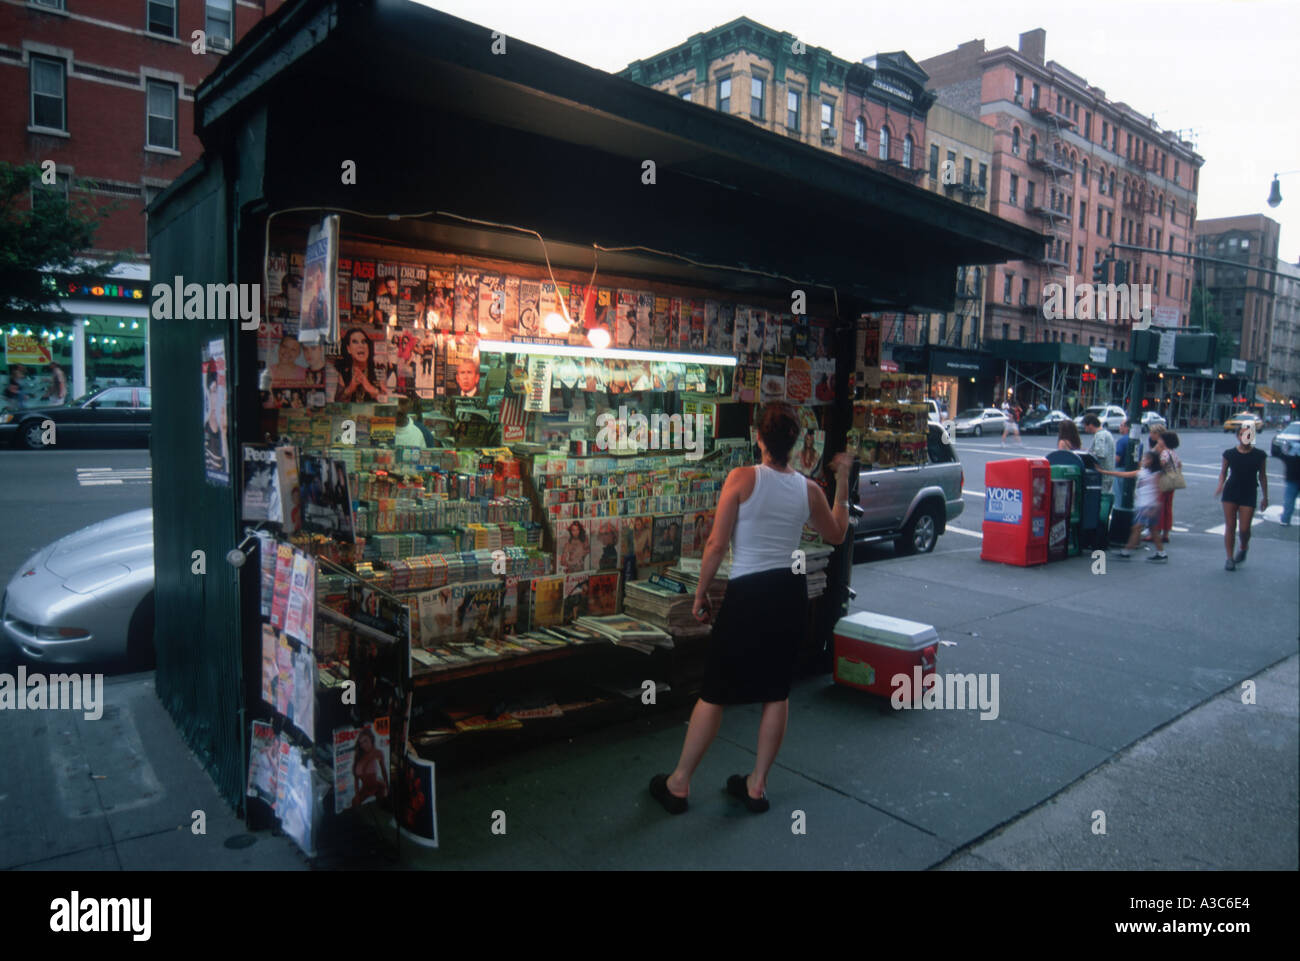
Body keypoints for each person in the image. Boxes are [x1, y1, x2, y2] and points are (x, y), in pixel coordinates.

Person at [649, 402, 851, 815]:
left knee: (714, 691)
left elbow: (716, 544)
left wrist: (700, 593)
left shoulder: (741, 479)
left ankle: (680, 784)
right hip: (788, 593)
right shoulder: (809, 489)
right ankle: (757, 787)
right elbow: (835, 533)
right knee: (777, 691)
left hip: (748, 591)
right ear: (795, 443)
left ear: (758, 438)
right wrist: (843, 481)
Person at [1215, 424, 1268, 570]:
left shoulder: (1260, 455)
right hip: (1231, 491)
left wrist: (1265, 497)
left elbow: (1263, 476)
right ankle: (1229, 558)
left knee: (1244, 529)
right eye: (1242, 435)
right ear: (1238, 436)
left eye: (1249, 435)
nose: (1246, 438)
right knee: (1230, 526)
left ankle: (1244, 546)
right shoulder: (1229, 454)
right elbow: (1223, 472)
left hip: (1249, 491)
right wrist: (1220, 484)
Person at [1098, 451, 1167, 562]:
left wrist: (1155, 506)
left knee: (1136, 529)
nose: (1143, 460)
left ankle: (1126, 551)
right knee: (1152, 530)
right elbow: (1125, 474)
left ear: (1152, 461)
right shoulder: (1143, 472)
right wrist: (1104, 471)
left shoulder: (1155, 474)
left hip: (1147, 505)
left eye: (1146, 459)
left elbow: (1158, 490)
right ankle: (1161, 553)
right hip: (1146, 505)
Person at [335, 326, 383, 402]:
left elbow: (389, 398)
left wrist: (371, 389)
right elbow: (335, 402)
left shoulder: (378, 370)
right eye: (355, 342)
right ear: (348, 349)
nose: (361, 346)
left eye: (364, 342)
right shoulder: (343, 373)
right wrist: (349, 389)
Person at [1155, 430, 1181, 542]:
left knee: (1158, 507)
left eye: (1160, 439)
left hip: (1163, 482)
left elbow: (1162, 465)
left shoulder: (1164, 453)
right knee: (1167, 508)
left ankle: (1156, 532)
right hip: (1172, 482)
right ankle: (1166, 533)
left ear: (1164, 441)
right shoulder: (1173, 453)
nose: (1158, 441)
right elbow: (1179, 465)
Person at [352, 728, 389, 807]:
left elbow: (384, 771)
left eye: (365, 741)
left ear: (371, 739)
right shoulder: (358, 756)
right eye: (361, 743)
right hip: (365, 789)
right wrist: (357, 795)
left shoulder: (378, 753)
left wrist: (387, 786)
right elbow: (356, 779)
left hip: (378, 786)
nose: (363, 745)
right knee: (354, 803)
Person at [1275, 435, 1300, 526]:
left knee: (1289, 502)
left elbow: (1278, 453)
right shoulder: (1288, 457)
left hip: (1291, 481)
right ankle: (1285, 520)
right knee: (1289, 502)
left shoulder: (1288, 457)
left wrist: (1285, 448)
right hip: (1291, 481)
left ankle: (1285, 520)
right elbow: (1279, 453)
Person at [1113, 422, 1136, 500]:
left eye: (1121, 425)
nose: (1120, 427)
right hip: (1133, 471)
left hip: (1121, 470)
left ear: (1127, 428)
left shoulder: (1121, 441)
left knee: (1118, 496)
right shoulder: (1138, 441)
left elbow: (1117, 458)